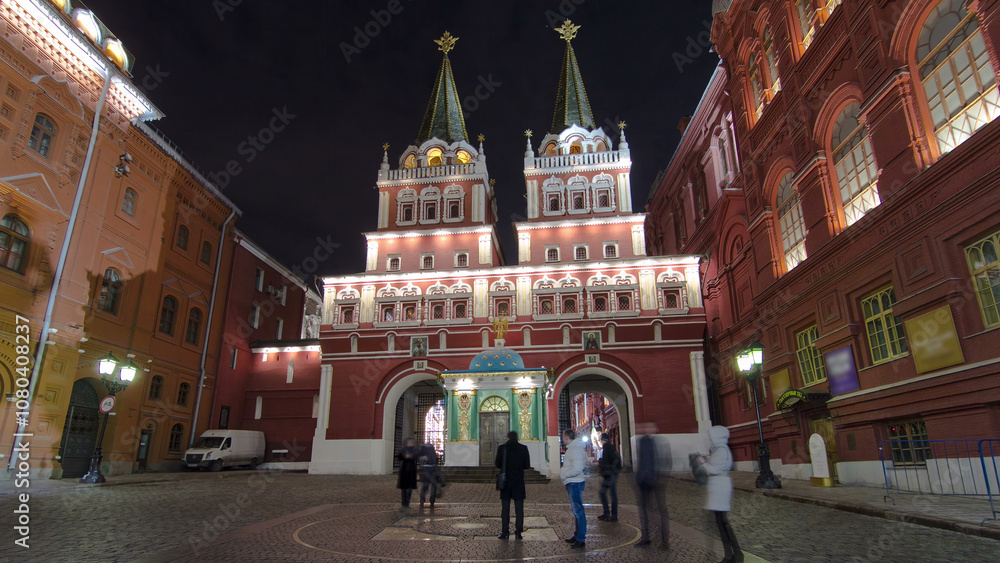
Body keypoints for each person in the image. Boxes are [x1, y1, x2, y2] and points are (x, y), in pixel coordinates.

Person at [699, 425, 743, 563]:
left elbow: (716, 469)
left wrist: (703, 463)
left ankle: (735, 555)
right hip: (717, 487)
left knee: (723, 522)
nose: (710, 438)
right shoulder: (717, 449)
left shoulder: (722, 450)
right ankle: (730, 554)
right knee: (721, 522)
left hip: (721, 487)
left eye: (712, 435)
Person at [635, 422, 669, 549]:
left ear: (656, 428)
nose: (647, 429)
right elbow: (640, 460)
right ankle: (646, 538)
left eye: (651, 427)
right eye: (646, 427)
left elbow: (666, 460)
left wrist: (662, 477)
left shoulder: (661, 442)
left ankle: (664, 541)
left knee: (660, 511)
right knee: (643, 510)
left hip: (656, 479)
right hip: (643, 480)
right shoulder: (641, 441)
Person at [495, 431, 530, 540]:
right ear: (517, 438)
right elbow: (527, 465)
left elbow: (497, 464)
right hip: (518, 482)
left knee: (505, 508)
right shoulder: (523, 448)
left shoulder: (502, 448)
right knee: (519, 509)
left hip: (506, 482)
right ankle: (518, 532)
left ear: (508, 438)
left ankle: (505, 532)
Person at [561, 428, 587, 548]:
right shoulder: (574, 448)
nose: (562, 438)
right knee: (576, 510)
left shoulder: (575, 450)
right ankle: (577, 535)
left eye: (563, 436)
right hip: (573, 482)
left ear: (567, 438)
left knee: (578, 511)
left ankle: (581, 538)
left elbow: (577, 468)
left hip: (574, 482)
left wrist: (565, 474)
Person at [597, 432, 621, 522]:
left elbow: (611, 461)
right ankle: (609, 513)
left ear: (603, 440)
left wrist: (607, 470)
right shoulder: (610, 447)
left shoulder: (607, 448)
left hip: (610, 475)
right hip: (610, 475)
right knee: (607, 493)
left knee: (610, 494)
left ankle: (611, 514)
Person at [396, 437, 418, 507]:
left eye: (411, 442)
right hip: (404, 471)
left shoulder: (415, 450)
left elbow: (417, 456)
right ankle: (404, 501)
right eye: (409, 442)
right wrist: (404, 456)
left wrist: (411, 456)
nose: (411, 443)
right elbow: (399, 457)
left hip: (411, 471)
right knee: (404, 488)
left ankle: (407, 501)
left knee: (410, 488)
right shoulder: (404, 450)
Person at [418, 442, 440, 508]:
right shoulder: (431, 452)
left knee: (425, 486)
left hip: (427, 471)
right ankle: (431, 501)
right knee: (431, 487)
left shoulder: (423, 451)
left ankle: (423, 501)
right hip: (432, 471)